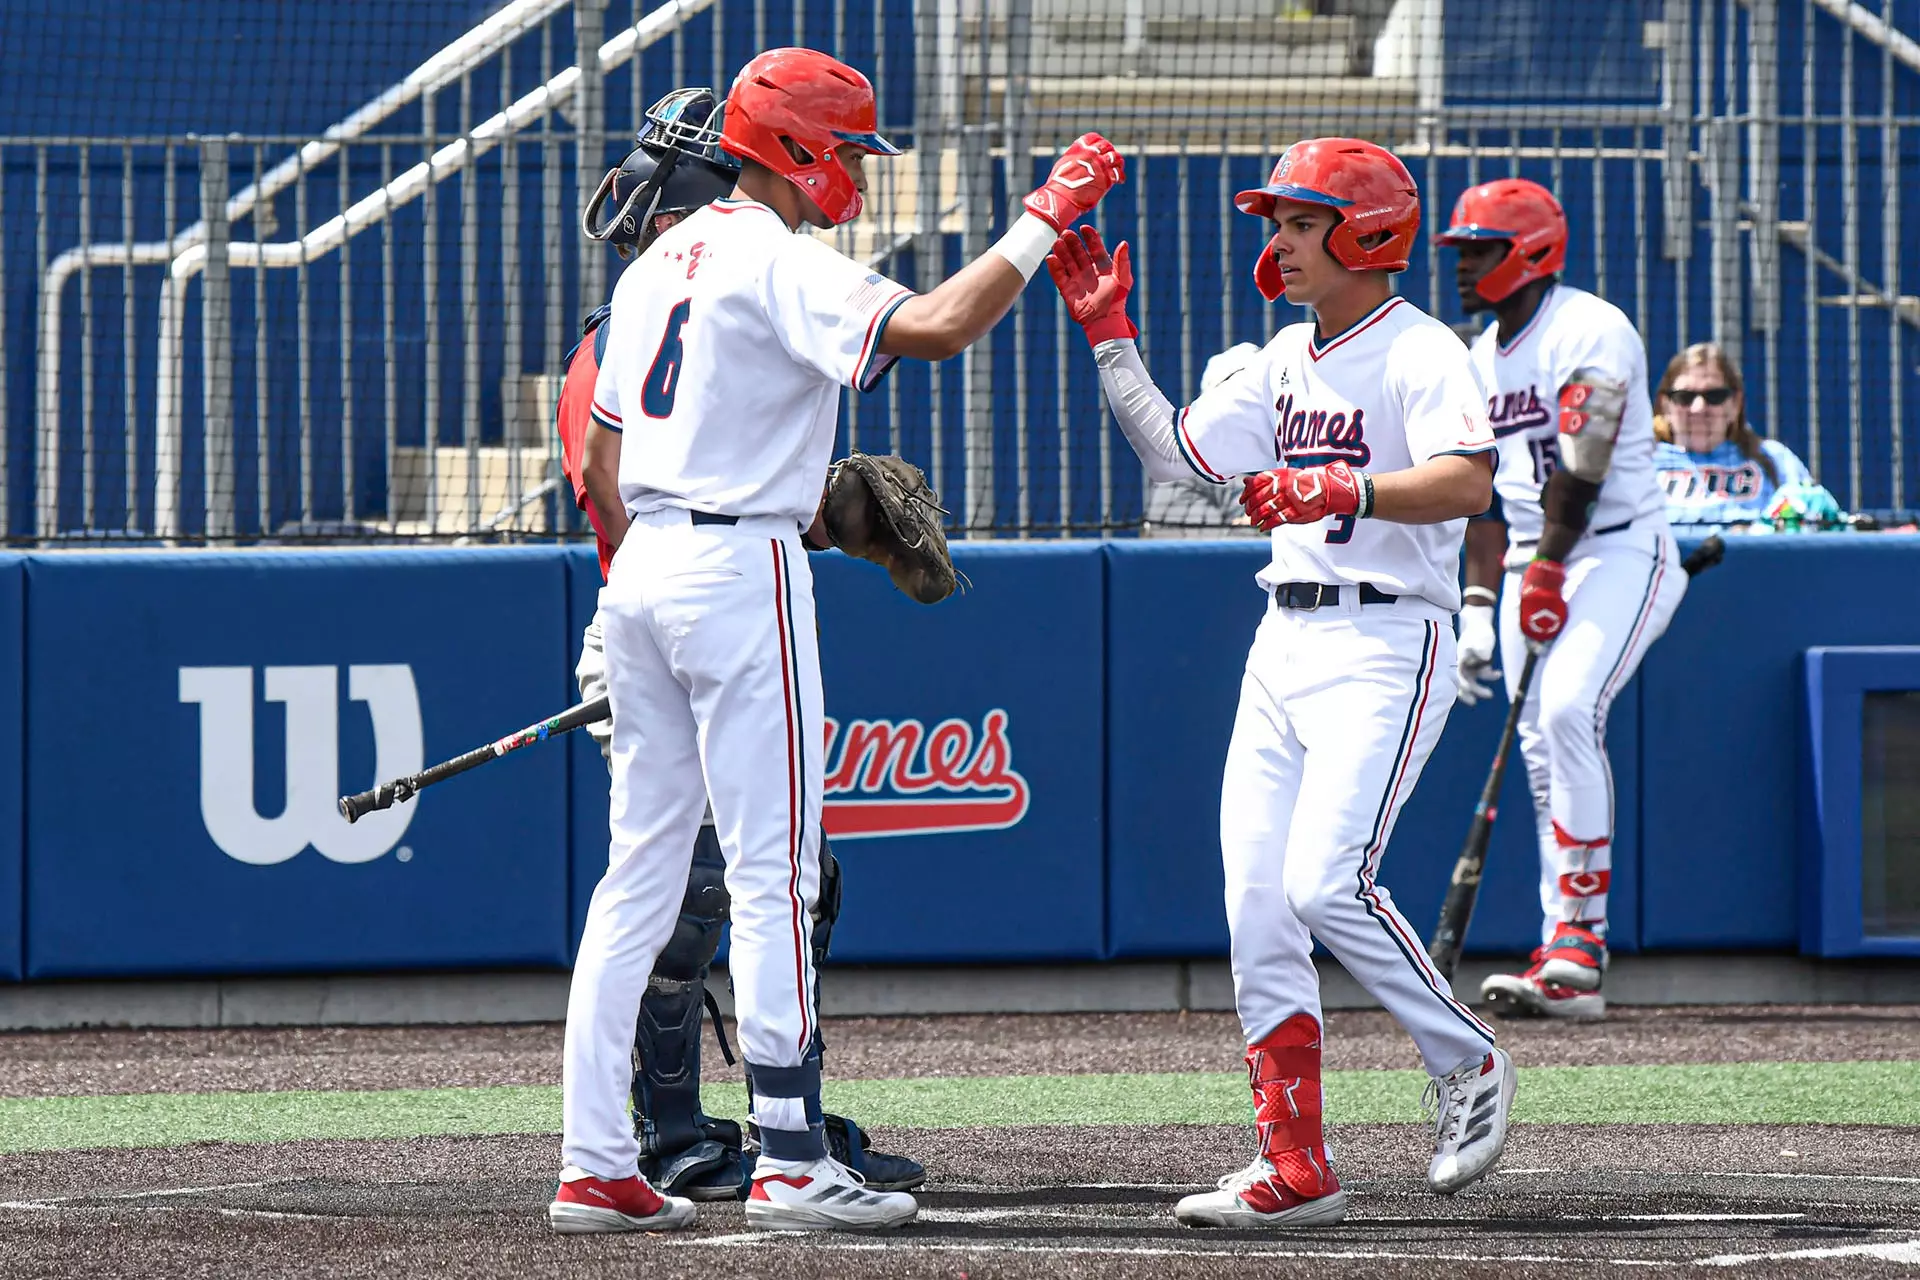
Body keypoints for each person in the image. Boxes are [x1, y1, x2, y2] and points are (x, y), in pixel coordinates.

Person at [552, 45, 1125, 1234]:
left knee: (640, 874)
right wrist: (1043, 214)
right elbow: (946, 322)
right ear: (803, 147)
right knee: (777, 868)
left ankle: (596, 1160)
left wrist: (674, 546)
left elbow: (602, 464)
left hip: (643, 560)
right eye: (851, 145)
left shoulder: (662, 256)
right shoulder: (777, 256)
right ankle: (794, 1156)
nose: (859, 166)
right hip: (737, 561)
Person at [1047, 137, 1515, 1229]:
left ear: (1367, 232)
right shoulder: (1279, 357)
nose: (1280, 241)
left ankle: (1468, 1054)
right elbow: (1178, 455)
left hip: (1387, 640)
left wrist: (1334, 484)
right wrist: (1111, 337)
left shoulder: (1421, 348)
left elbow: (1466, 481)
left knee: (1323, 884)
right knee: (1257, 908)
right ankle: (1294, 1161)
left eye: (1302, 222)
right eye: (1281, 222)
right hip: (1286, 639)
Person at [553, 86, 924, 1210]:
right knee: (738, 880)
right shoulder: (709, 286)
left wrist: (816, 516)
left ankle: (624, 1151)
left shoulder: (665, 290)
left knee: (688, 881)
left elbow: (663, 483)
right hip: (686, 602)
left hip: (656, 601)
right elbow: (627, 488)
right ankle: (702, 1132)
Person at [1438, 177, 1689, 1020]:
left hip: (1619, 550)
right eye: (1461, 249)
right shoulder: (1475, 359)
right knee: (1542, 751)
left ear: (1531, 253)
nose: (1464, 264)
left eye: (1481, 248)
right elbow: (1481, 496)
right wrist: (1479, 607)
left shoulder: (1590, 327)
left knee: (1567, 713)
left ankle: (1581, 938)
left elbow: (1582, 462)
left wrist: (1544, 566)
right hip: (1525, 564)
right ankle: (1566, 953)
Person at [1651, 342, 1829, 532]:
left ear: (1735, 404)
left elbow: (1814, 524)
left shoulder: (1774, 460)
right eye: (1684, 397)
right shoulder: (1639, 462)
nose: (1699, 408)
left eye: (1714, 396)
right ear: (1666, 404)